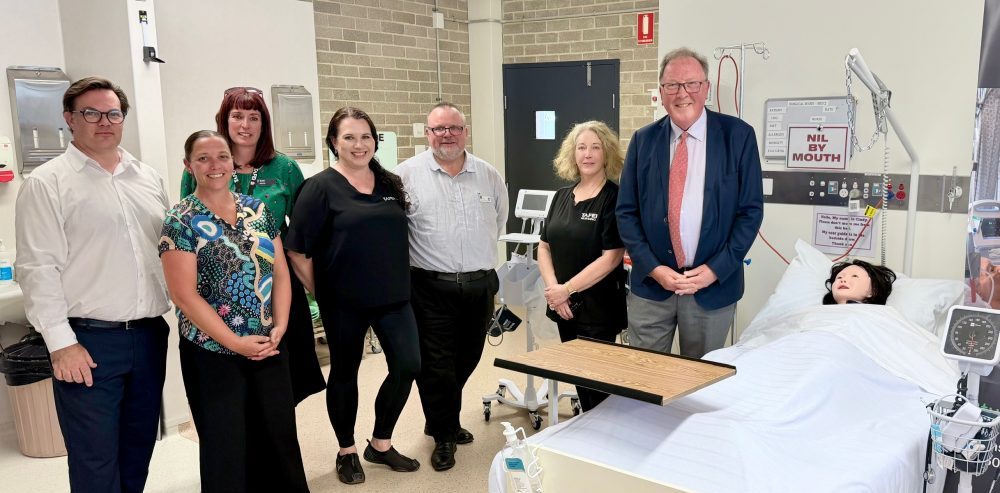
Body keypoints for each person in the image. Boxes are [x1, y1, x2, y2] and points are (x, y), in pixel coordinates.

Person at [14, 77, 171, 493]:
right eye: (91, 113)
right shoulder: (48, 182)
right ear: (69, 119)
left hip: (149, 335)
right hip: (87, 342)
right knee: (95, 460)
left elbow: (167, 253)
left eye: (113, 113)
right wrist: (61, 344)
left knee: (138, 450)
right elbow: (37, 268)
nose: (104, 121)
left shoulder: (148, 177)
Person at [160, 130, 309, 493]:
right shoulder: (180, 220)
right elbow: (184, 296)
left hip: (268, 344)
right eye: (204, 158)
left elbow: (280, 271)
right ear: (188, 166)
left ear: (233, 162)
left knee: (278, 437)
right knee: (226, 444)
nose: (215, 165)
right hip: (211, 350)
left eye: (222, 156)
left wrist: (281, 325)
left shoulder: (257, 209)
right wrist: (235, 343)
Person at [286, 107, 421, 484]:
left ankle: (380, 443)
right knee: (345, 373)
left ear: (375, 141)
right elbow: (296, 250)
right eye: (349, 137)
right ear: (334, 142)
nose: (359, 144)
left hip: (394, 297)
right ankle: (346, 451)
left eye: (365, 137)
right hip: (343, 303)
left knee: (409, 365)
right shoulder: (319, 187)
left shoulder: (389, 183)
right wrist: (324, 292)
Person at [616, 47, 764, 359]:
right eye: (672, 85)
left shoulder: (738, 137)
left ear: (706, 88)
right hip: (652, 286)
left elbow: (750, 213)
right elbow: (626, 213)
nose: (682, 93)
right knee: (643, 373)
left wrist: (715, 270)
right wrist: (653, 268)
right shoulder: (643, 141)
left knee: (699, 377)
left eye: (692, 84)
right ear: (661, 92)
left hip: (712, 288)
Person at [180, 86, 324, 405]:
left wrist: (318, 286)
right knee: (228, 386)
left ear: (264, 124)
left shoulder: (285, 169)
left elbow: (304, 233)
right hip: (220, 289)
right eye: (237, 116)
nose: (245, 125)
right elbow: (188, 223)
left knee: (279, 383)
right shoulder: (203, 168)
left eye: (254, 117)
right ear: (224, 121)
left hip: (277, 285)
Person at [395, 102, 507, 471]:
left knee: (468, 356)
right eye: (439, 129)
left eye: (454, 128)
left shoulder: (488, 175)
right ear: (427, 134)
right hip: (430, 286)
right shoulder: (405, 175)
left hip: (479, 285)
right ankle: (444, 434)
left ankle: (441, 416)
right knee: (436, 364)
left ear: (465, 132)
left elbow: (498, 221)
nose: (447, 134)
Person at [537, 121, 627, 412]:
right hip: (564, 307)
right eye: (581, 147)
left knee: (597, 386)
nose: (587, 154)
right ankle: (586, 431)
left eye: (595, 148)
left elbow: (612, 257)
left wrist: (567, 289)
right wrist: (555, 290)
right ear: (572, 154)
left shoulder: (613, 198)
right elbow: (544, 246)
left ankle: (602, 435)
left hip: (598, 309)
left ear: (607, 154)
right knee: (578, 377)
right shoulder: (561, 196)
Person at [822, 260, 896, 305]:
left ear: (873, 290)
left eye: (854, 276)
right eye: (839, 277)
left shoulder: (878, 315)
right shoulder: (820, 312)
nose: (843, 280)